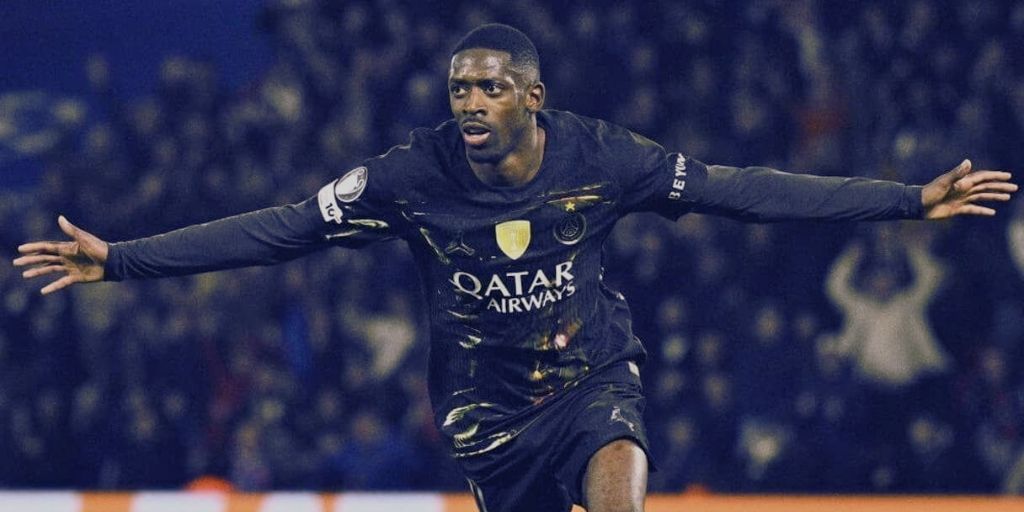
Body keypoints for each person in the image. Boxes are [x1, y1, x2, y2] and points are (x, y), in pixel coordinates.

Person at [13, 24, 1017, 512]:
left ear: (531, 93)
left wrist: (908, 200)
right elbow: (279, 229)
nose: (469, 102)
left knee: (619, 491)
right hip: (485, 417)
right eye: (458, 87)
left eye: (488, 85)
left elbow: (744, 188)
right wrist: (123, 262)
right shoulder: (409, 177)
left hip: (590, 379)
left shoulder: (600, 157)